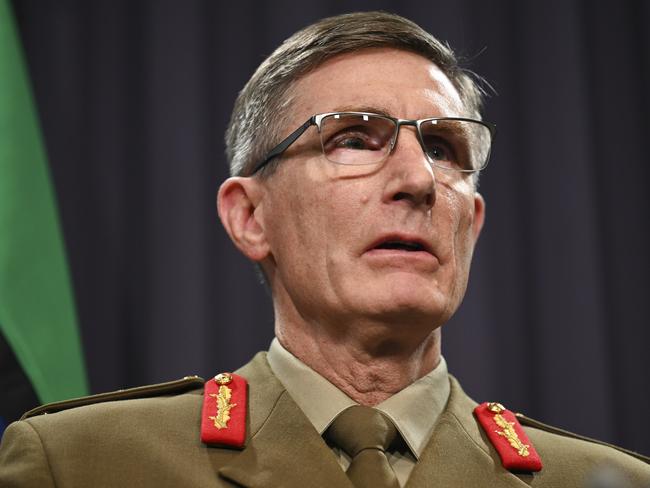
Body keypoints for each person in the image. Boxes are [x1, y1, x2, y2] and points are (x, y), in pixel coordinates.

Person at [0, 11, 648, 488]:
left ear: (470, 224)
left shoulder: (605, 481)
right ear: (251, 216)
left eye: (445, 149)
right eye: (355, 139)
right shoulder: (81, 464)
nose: (419, 180)